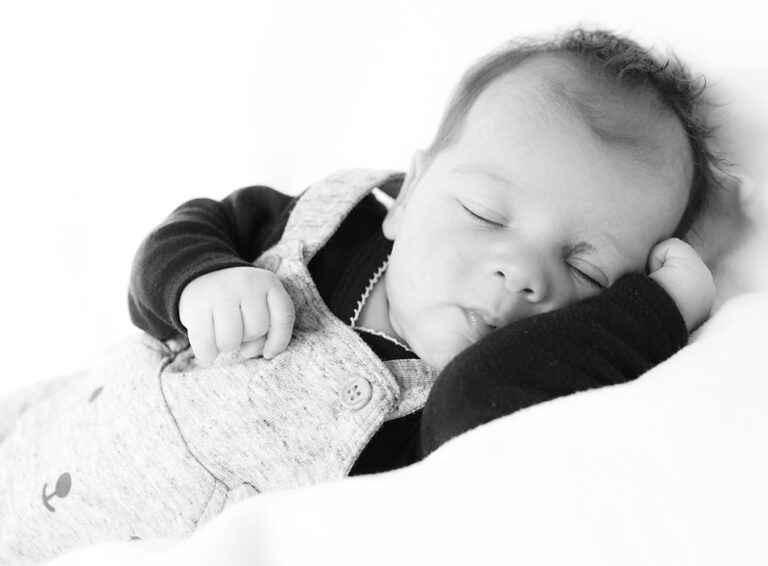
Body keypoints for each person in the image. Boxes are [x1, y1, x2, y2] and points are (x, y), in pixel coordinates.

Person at [0, 28, 719, 565]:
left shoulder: (460, 412)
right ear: (409, 194)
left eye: (588, 271)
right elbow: (191, 231)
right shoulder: (332, 225)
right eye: (484, 214)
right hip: (43, 431)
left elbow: (483, 396)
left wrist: (661, 309)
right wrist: (200, 281)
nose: (522, 272)